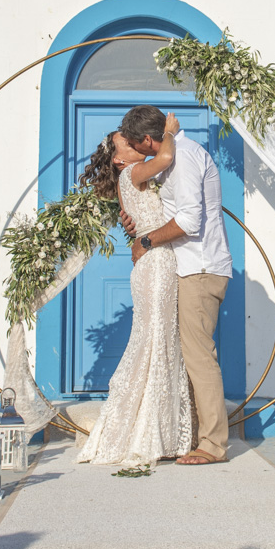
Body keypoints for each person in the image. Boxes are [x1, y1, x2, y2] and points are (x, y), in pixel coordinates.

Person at [116, 105, 235, 466]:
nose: (136, 152)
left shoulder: (182, 159)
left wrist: (147, 241)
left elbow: (189, 219)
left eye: (138, 146)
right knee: (186, 355)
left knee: (199, 358)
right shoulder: (174, 156)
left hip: (199, 267)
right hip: (188, 267)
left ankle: (213, 444)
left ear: (148, 140)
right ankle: (190, 433)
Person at [76, 120, 193, 466]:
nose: (128, 141)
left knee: (158, 340)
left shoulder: (132, 182)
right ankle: (148, 432)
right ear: (117, 159)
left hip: (152, 264)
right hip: (156, 264)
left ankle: (160, 430)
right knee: (156, 340)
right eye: (122, 141)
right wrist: (169, 130)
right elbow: (167, 156)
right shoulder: (134, 174)